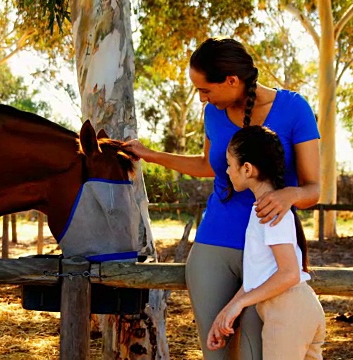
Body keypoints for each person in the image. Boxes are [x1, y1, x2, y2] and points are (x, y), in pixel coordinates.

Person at [124, 37, 320, 359]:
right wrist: (150, 154)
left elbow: (314, 189)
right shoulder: (213, 115)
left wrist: (290, 195)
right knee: (216, 352)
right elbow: (207, 165)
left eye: (206, 89)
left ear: (232, 80)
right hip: (212, 246)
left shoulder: (294, 108)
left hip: (268, 254)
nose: (202, 98)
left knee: (256, 353)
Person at [207, 125, 325, 359]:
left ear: (247, 169)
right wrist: (226, 312)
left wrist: (239, 305)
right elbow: (256, 276)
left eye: (230, 164)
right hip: (296, 310)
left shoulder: (270, 211)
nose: (228, 171)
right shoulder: (264, 208)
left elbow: (289, 274)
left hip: (288, 312)